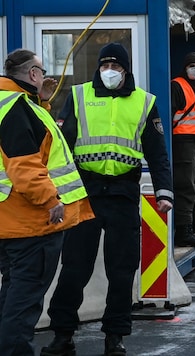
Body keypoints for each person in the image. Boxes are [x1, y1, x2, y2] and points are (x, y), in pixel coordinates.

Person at [41, 42, 173, 356]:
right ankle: (62, 335)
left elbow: (157, 152)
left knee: (122, 271)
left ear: (126, 70)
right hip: (84, 195)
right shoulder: (78, 96)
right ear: (98, 68)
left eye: (115, 66)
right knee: (74, 268)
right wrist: (55, 191)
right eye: (104, 65)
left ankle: (115, 337)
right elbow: (60, 146)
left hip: (123, 195)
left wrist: (164, 191)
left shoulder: (144, 102)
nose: (109, 71)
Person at [0, 49, 93, 356]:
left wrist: (42, 100)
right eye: (41, 69)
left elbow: (33, 141)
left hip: (12, 221)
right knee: (22, 306)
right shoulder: (16, 108)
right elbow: (24, 164)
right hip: (32, 224)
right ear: (34, 74)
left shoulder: (16, 104)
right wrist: (50, 199)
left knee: (12, 299)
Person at [171, 52, 195, 247]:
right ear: (185, 67)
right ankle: (184, 229)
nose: (194, 69)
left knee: (194, 187)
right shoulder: (177, 86)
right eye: (190, 65)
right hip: (183, 143)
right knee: (186, 187)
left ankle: (189, 227)